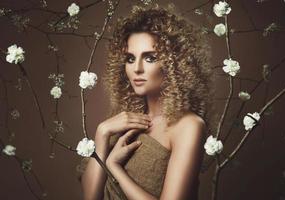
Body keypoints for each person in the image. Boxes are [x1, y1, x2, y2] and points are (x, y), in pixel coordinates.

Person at [81, 4, 214, 200]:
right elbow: (90, 197)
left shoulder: (188, 125)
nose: (137, 68)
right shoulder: (126, 119)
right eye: (130, 58)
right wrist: (102, 133)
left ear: (173, 63)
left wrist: (115, 168)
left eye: (150, 58)